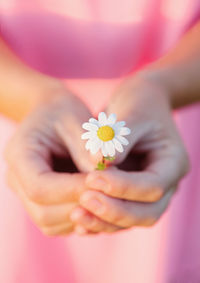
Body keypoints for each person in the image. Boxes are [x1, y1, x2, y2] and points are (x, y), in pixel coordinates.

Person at [0, 1, 200, 282]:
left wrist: (161, 86)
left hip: (163, 125)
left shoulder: (113, 131)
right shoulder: (101, 131)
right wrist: (32, 98)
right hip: (30, 132)